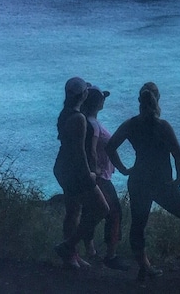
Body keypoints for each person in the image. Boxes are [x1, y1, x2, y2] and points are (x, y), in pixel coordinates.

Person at [106, 82, 180, 283]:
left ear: (139, 101)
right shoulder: (162, 126)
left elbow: (110, 147)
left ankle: (144, 267)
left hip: (138, 181)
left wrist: (123, 169)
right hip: (162, 183)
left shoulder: (130, 124)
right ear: (158, 100)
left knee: (138, 225)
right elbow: (178, 154)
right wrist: (179, 179)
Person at [52, 76, 109, 269]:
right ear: (83, 95)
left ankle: (71, 256)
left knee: (73, 211)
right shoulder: (79, 119)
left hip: (63, 168)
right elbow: (80, 152)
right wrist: (89, 174)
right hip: (75, 170)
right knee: (102, 209)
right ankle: (68, 246)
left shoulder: (66, 113)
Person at [79, 85, 127, 270]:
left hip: (98, 174)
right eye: (102, 98)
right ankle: (111, 255)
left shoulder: (90, 121)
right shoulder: (92, 125)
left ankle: (90, 250)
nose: (104, 100)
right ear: (97, 102)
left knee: (91, 212)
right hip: (100, 176)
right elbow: (91, 150)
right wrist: (96, 170)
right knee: (114, 213)